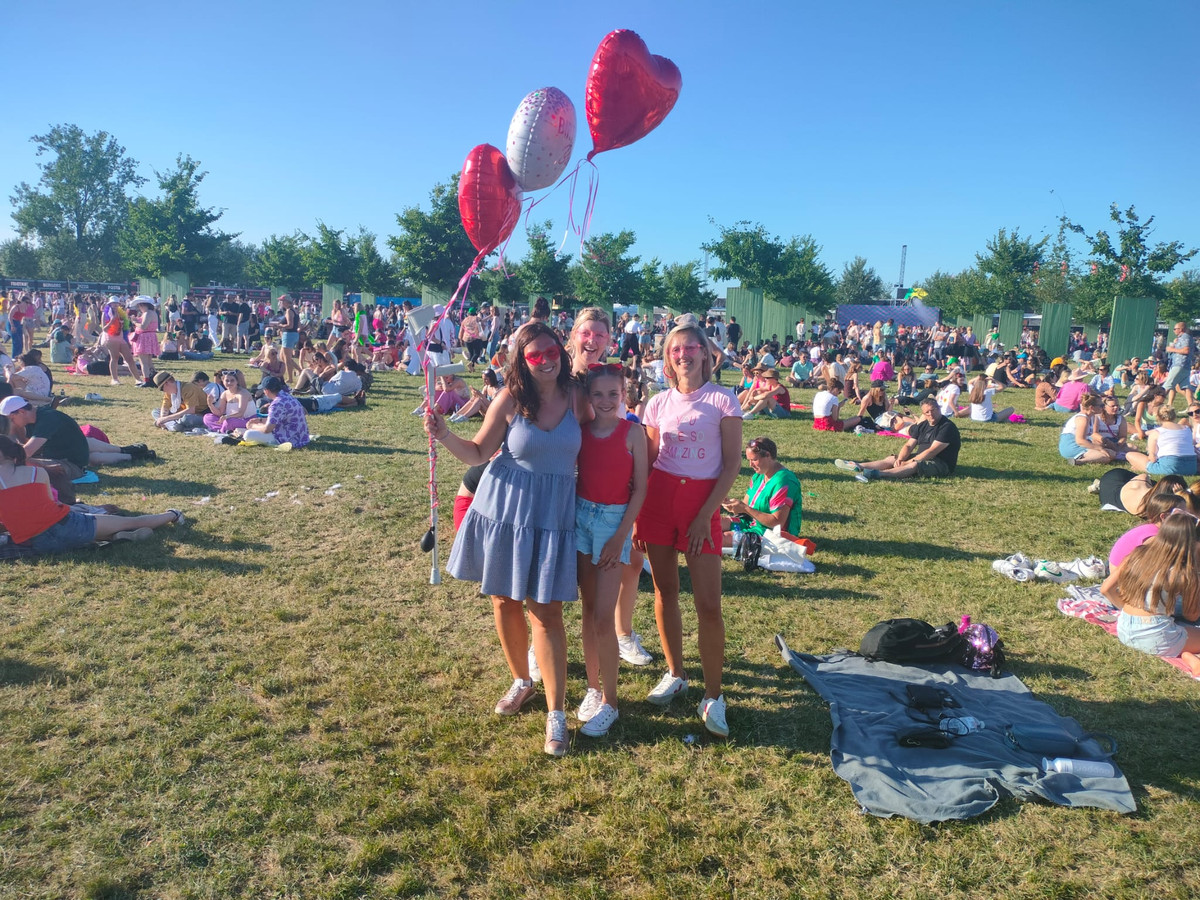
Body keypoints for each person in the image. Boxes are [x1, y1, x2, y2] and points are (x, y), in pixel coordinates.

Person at [424, 323, 583, 756]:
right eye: (535, 355)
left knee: (546, 611)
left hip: (553, 514)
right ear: (521, 360)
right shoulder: (510, 397)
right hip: (504, 510)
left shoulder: (578, 395)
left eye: (552, 350)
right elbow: (477, 453)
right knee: (503, 600)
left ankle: (557, 714)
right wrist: (443, 434)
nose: (547, 359)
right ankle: (521, 680)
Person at [635, 323, 742, 738]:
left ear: (705, 354)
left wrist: (705, 514)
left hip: (702, 506)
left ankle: (714, 695)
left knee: (708, 604)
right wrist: (639, 516)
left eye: (691, 347)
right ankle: (675, 672)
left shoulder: (723, 399)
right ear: (668, 357)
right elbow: (647, 460)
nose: (684, 354)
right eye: (676, 348)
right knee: (665, 592)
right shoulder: (657, 403)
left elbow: (731, 463)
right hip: (659, 503)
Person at [574, 364, 648, 737]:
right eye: (598, 394)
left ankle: (611, 703)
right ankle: (592, 687)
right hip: (580, 519)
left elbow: (640, 490)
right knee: (588, 612)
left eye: (613, 394)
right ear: (589, 397)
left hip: (613, 524)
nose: (606, 401)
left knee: (604, 617)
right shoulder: (582, 433)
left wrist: (621, 535)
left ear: (624, 395)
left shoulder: (633, 433)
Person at [0, 436, 182, 553]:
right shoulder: (36, 472)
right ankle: (173, 514)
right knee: (131, 521)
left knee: (80, 531)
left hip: (38, 544)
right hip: (70, 527)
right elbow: (51, 506)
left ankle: (113, 536)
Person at [1100, 510, 1200, 670]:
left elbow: (1106, 588)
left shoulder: (1138, 554)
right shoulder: (1185, 573)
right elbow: (1192, 615)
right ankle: (1189, 656)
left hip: (1125, 629)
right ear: (1191, 542)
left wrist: (1126, 609)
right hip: (1157, 637)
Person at [835, 396, 961, 482]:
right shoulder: (923, 425)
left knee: (914, 465)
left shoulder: (947, 427)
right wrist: (900, 459)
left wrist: (907, 462)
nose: (930, 414)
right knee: (892, 459)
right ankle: (857, 465)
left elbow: (932, 451)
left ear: (939, 409)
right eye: (926, 412)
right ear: (923, 413)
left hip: (941, 463)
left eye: (933, 410)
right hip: (922, 456)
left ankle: (880, 474)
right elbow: (909, 445)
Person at [720, 436, 802, 544]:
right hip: (752, 522)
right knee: (716, 523)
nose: (750, 465)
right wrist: (732, 505)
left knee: (722, 538)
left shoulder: (784, 481)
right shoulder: (758, 476)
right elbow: (745, 507)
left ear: (768, 455)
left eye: (754, 460)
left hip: (771, 534)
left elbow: (777, 522)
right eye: (749, 460)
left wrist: (744, 508)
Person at [240, 376, 311, 448]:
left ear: (266, 391)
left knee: (248, 434)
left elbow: (267, 429)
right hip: (301, 437)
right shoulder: (288, 396)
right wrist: (260, 421)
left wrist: (252, 426)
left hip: (287, 439)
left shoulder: (276, 404)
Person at [1125, 407, 1198, 477]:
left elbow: (1152, 458)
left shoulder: (1156, 432)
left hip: (1171, 467)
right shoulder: (1186, 429)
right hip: (1191, 467)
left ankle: (1140, 467)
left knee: (1129, 455)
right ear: (1174, 416)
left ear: (1158, 417)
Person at [1058, 394, 1114, 466]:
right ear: (1091, 408)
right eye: (1101, 406)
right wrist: (1099, 448)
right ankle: (1079, 461)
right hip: (1071, 445)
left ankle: (1086, 457)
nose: (1103, 408)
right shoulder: (1082, 419)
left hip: (1081, 444)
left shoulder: (1092, 417)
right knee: (1105, 457)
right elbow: (1080, 441)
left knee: (1112, 454)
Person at [100, 298, 137, 386]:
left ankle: (138, 379)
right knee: (114, 358)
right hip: (110, 337)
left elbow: (124, 328)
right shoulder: (105, 314)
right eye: (113, 303)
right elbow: (104, 329)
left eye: (117, 303)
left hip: (120, 337)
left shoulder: (120, 313)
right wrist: (112, 321)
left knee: (129, 358)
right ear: (110, 304)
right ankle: (114, 379)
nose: (115, 305)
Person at [1164, 321, 1195, 409]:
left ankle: (1156, 404)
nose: (1174, 331)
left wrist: (1172, 349)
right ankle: (1191, 407)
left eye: (1175, 329)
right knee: (1185, 386)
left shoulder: (1185, 337)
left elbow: (1186, 350)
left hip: (1179, 364)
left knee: (1168, 384)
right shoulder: (1183, 338)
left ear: (1180, 329)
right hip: (1185, 365)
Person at [129, 297, 160, 386]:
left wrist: (134, 322)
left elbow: (143, 326)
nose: (139, 308)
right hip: (150, 336)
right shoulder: (152, 313)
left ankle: (147, 380)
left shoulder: (147, 313)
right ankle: (154, 378)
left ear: (143, 305)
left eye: (140, 306)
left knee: (143, 362)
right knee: (149, 361)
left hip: (144, 337)